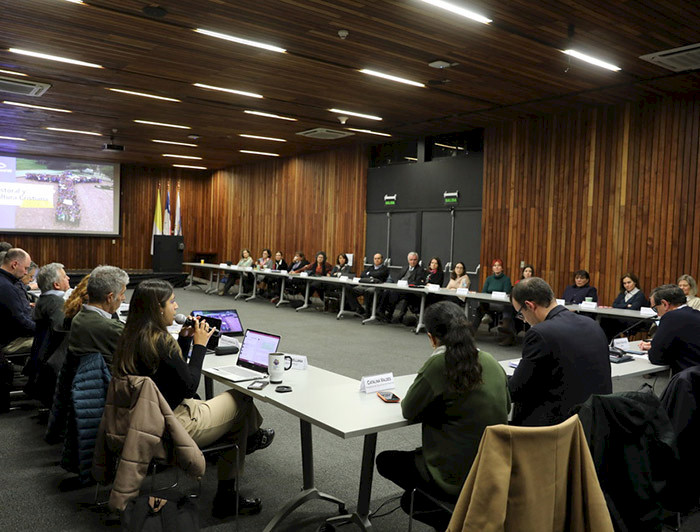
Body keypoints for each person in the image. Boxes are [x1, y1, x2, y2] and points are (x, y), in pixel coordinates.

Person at [111, 279, 274, 518]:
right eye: (172, 302)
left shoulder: (132, 335)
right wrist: (199, 345)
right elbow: (188, 385)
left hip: (144, 419)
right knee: (242, 400)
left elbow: (167, 378)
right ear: (158, 308)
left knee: (236, 418)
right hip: (174, 424)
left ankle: (248, 439)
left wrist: (185, 339)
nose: (176, 307)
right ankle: (233, 480)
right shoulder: (160, 341)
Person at [376, 301, 510, 530]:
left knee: (386, 463)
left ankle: (456, 518)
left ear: (431, 337)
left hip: (453, 473)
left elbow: (408, 409)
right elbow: (506, 407)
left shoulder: (440, 363)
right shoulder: (490, 361)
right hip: (493, 470)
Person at [508, 277, 612, 426]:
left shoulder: (540, 333)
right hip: (594, 422)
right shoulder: (591, 324)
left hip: (556, 427)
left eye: (520, 314)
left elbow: (515, 390)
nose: (523, 320)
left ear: (530, 306)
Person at [68, 265, 128, 364]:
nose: (123, 298)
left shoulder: (78, 317)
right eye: (122, 293)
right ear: (110, 298)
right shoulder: (113, 329)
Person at [0, 248, 36, 412]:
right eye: (26, 268)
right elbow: (21, 322)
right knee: (53, 342)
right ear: (15, 264)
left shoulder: (6, 283)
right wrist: (42, 330)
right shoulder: (6, 287)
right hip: (9, 342)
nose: (26, 272)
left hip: (9, 335)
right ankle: (39, 387)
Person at [640, 284, 700, 375]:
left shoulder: (670, 317)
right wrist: (656, 345)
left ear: (665, 304)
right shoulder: (696, 314)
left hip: (690, 381)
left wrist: (656, 347)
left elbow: (656, 358)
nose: (658, 315)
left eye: (655, 309)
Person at [471, 259, 515, 345]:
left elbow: (506, 292)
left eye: (499, 265)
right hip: (489, 303)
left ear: (502, 268)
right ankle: (471, 334)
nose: (497, 267)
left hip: (502, 304)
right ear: (492, 268)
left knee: (508, 310)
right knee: (480, 309)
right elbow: (484, 292)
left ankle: (507, 338)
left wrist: (492, 293)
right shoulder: (489, 279)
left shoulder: (506, 279)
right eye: (495, 265)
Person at [379, 252, 426, 323]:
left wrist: (406, 283)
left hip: (410, 291)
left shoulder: (420, 270)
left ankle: (389, 314)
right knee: (387, 291)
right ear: (408, 260)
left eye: (414, 260)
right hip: (400, 288)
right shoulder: (405, 268)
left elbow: (418, 282)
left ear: (417, 260)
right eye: (411, 260)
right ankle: (381, 311)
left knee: (393, 294)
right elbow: (398, 278)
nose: (413, 261)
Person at [601, 272, 648, 340]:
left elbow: (633, 308)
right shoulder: (623, 293)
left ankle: (614, 342)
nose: (627, 285)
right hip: (622, 318)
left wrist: (623, 306)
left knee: (609, 323)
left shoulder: (640, 295)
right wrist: (627, 305)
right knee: (605, 320)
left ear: (635, 282)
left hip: (633, 321)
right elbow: (614, 305)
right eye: (624, 283)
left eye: (629, 282)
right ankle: (611, 342)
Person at [347, 253, 389, 317]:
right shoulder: (370, 267)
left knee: (368, 291)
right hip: (364, 285)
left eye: (378, 258)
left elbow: (379, 274)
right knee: (349, 290)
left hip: (377, 287)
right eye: (375, 259)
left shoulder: (385, 268)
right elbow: (362, 274)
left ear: (382, 259)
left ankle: (368, 312)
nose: (377, 260)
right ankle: (359, 308)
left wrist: (369, 274)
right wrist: (371, 277)